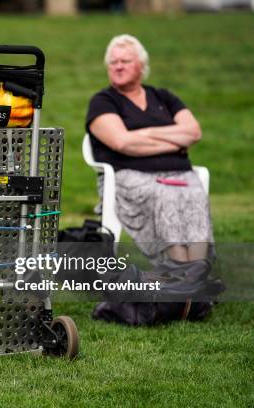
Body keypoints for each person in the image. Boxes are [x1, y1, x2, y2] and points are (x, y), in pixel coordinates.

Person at [86, 34, 213, 264]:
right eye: (113, 62)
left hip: (180, 173)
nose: (118, 67)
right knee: (166, 196)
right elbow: (121, 142)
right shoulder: (103, 101)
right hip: (130, 177)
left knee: (194, 195)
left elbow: (193, 132)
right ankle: (179, 274)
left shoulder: (163, 96)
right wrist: (173, 140)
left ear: (141, 66)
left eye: (125, 61)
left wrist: (145, 133)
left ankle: (197, 276)